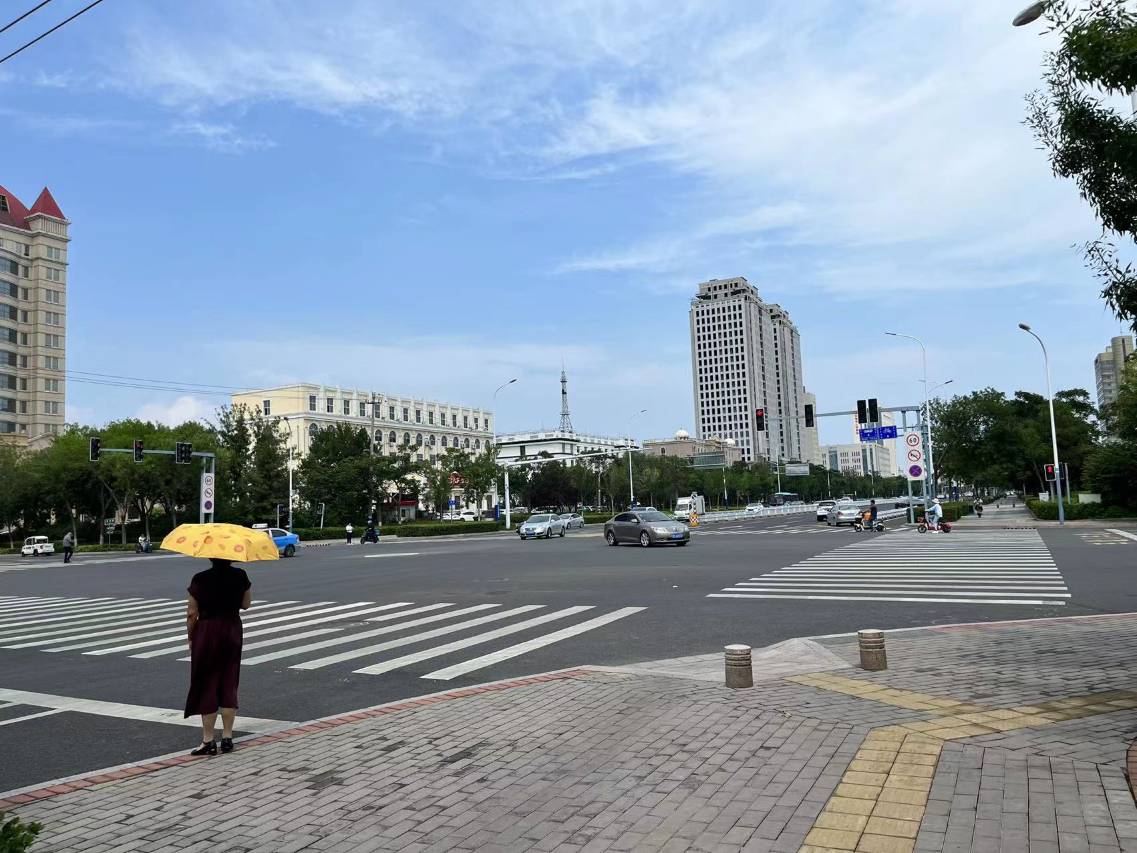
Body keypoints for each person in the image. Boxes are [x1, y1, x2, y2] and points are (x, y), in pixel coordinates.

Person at [184, 558, 252, 756]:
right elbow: (246, 604)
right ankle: (227, 738)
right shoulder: (240, 575)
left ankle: (208, 740)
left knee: (207, 682)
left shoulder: (200, 578)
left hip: (207, 631)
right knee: (229, 680)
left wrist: (191, 637)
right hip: (231, 630)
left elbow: (192, 613)